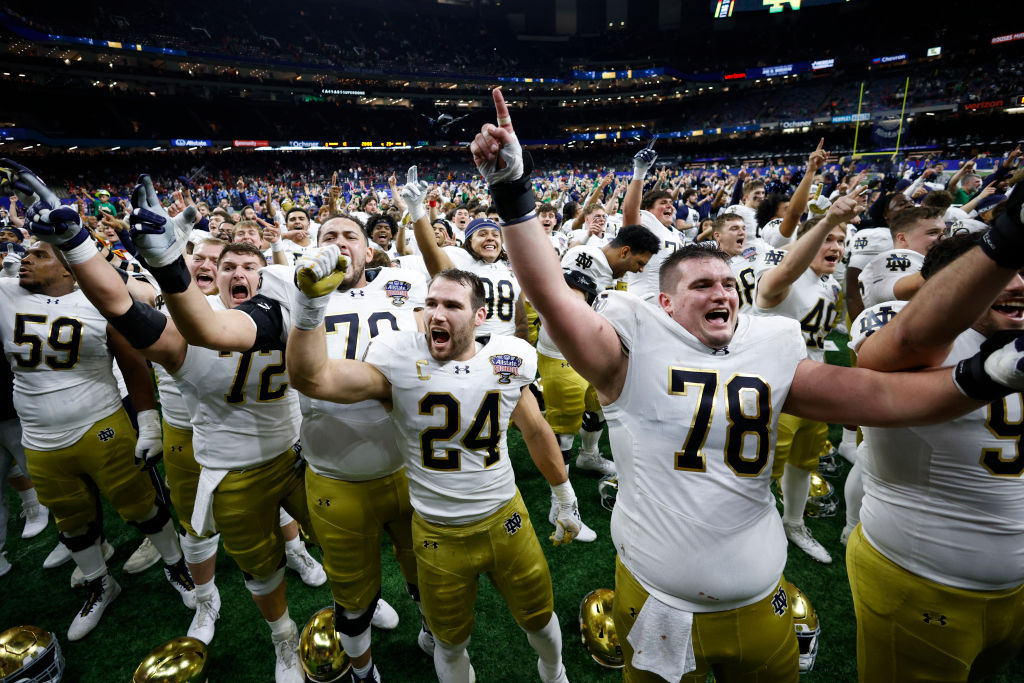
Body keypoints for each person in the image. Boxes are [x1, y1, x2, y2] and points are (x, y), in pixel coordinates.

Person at [467, 88, 1024, 682]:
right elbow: (551, 294)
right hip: (660, 599)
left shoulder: (769, 347)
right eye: (703, 284)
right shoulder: (629, 352)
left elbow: (880, 397)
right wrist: (512, 191)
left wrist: (992, 371)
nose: (723, 292)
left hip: (760, 598)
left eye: (729, 284)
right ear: (664, 303)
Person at [12, 171, 314, 682]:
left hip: (297, 457)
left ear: (263, 277)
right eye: (228, 266)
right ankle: (282, 637)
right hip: (231, 471)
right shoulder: (183, 325)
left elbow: (217, 325)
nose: (238, 272)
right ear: (212, 277)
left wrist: (163, 261)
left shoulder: (274, 309)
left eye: (249, 266)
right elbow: (120, 304)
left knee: (345, 535)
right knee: (259, 568)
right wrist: (75, 241)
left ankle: (352, 603)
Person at [285, 260, 584, 683]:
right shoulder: (398, 360)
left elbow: (535, 430)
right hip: (437, 532)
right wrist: (309, 305)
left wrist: (564, 495)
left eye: (452, 305)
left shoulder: (507, 359)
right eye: (431, 303)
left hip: (506, 518)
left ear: (480, 316)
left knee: (538, 617)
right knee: (449, 640)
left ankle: (555, 675)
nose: (437, 314)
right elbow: (310, 378)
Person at [847, 197, 1024, 681]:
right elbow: (899, 345)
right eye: (995, 273)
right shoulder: (900, 324)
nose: (1016, 283)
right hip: (919, 576)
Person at [0, 234, 196, 642]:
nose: (25, 259)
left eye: (39, 254)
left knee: (141, 504)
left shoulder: (97, 301)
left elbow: (133, 364)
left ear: (69, 267)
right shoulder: (6, 292)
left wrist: (147, 422)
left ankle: (175, 564)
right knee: (70, 519)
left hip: (100, 422)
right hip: (38, 436)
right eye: (26, 252)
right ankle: (99, 583)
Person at [752, 179, 864, 565]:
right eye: (827, 239)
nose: (835, 246)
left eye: (840, 240)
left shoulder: (828, 284)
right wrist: (825, 220)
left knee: (804, 462)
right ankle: (754, 530)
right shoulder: (785, 276)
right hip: (774, 390)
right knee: (761, 471)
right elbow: (781, 274)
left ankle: (793, 522)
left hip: (813, 386)